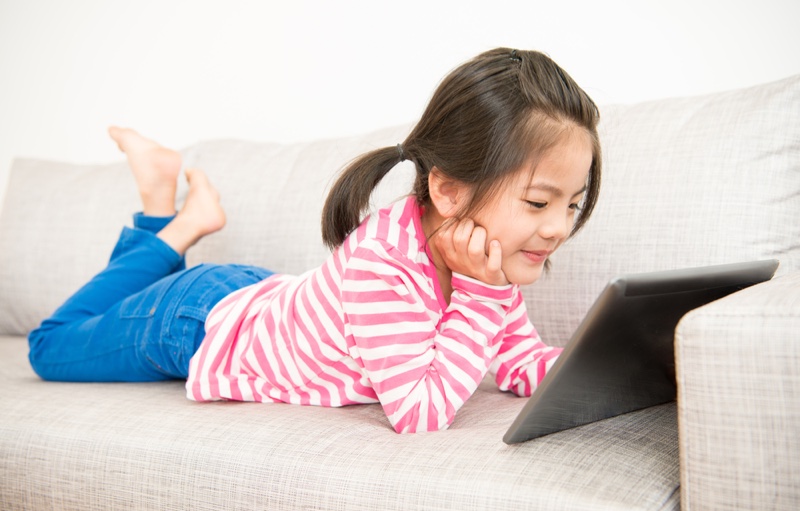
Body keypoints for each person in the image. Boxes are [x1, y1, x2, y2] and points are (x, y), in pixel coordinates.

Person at [28, 47, 601, 434]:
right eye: (538, 202)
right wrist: (479, 296)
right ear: (448, 190)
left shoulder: (484, 260)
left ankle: (158, 198)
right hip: (196, 323)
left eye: (571, 204)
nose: (557, 227)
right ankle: (177, 224)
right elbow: (418, 412)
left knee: (82, 327)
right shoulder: (387, 265)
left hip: (253, 298)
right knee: (50, 346)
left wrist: (608, 370)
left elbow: (521, 362)